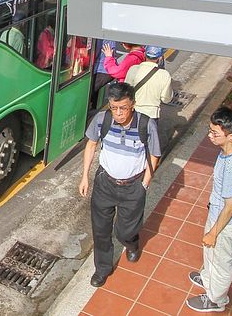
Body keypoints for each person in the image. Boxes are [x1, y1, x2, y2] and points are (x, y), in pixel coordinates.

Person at [79, 82, 161, 287]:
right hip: (104, 183)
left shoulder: (146, 124)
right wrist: (85, 176)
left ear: (133, 104)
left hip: (133, 187)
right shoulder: (102, 120)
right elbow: (91, 144)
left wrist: (144, 184)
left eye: (123, 108)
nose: (118, 113)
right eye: (114, 108)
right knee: (100, 230)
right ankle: (102, 269)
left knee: (125, 231)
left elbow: (154, 155)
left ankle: (131, 243)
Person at [185, 107, 232, 313]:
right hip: (218, 213)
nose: (210, 136)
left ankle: (216, 299)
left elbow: (230, 207)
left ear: (231, 135)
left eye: (215, 133)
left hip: (224, 222)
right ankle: (207, 278)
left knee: (221, 263)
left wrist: (213, 232)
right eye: (210, 130)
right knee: (211, 255)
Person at [127, 46, 174, 122]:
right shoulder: (164, 74)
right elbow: (166, 99)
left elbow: (126, 91)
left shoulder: (133, 69)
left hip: (132, 111)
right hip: (151, 114)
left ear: (144, 54)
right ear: (160, 58)